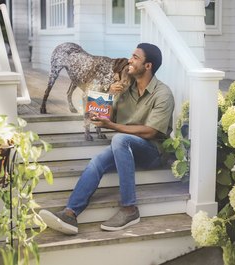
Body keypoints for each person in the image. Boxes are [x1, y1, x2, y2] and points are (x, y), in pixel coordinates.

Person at [39, 43, 175, 235]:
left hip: (152, 152)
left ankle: (129, 208)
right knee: (97, 162)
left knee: (120, 139)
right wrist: (107, 97)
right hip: (127, 149)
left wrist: (113, 127)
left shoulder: (163, 94)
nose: (129, 60)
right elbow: (105, 117)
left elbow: (151, 132)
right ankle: (70, 213)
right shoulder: (125, 89)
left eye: (135, 57)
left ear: (148, 66)